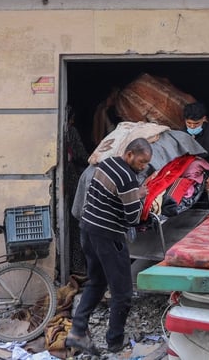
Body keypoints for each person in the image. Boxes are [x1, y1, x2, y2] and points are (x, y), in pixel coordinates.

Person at [66, 138, 153, 356]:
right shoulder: (127, 179)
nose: (143, 167)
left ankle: (77, 331)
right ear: (130, 154)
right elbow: (132, 218)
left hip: (87, 230)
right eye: (141, 162)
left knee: (96, 282)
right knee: (122, 292)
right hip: (108, 236)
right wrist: (140, 196)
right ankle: (114, 341)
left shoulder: (106, 163)